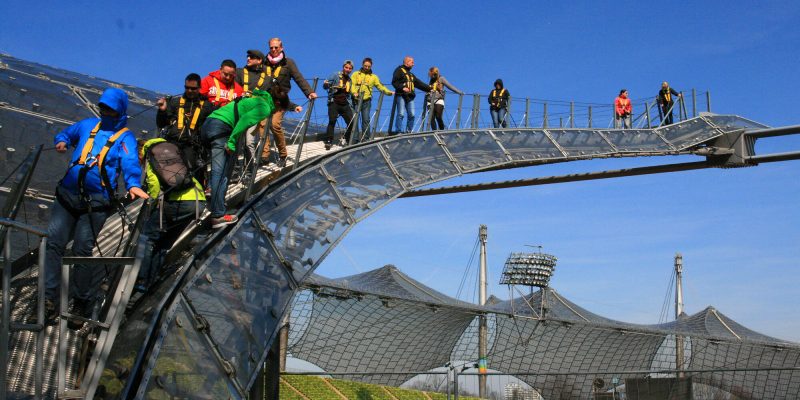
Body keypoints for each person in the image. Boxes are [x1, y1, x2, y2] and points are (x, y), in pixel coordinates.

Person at [44, 88, 148, 326]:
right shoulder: (88, 125)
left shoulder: (125, 137)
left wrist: (133, 184)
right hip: (67, 196)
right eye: (103, 108)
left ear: (120, 110)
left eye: (110, 109)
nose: (106, 113)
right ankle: (49, 301)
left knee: (82, 250)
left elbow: (130, 161)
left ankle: (81, 301)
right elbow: (66, 134)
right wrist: (61, 141)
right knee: (54, 244)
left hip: (96, 203)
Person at [136, 138, 206, 292]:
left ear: (140, 151)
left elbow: (154, 186)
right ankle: (150, 282)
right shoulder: (173, 153)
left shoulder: (152, 155)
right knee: (164, 244)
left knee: (147, 238)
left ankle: (139, 279)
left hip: (178, 203)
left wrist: (152, 207)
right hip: (198, 200)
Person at [200, 89, 275, 228]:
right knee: (221, 173)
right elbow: (245, 120)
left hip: (208, 124)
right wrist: (232, 141)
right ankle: (218, 215)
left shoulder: (250, 98)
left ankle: (212, 192)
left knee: (216, 167)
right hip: (222, 127)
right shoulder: (265, 106)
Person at [262, 38, 317, 166]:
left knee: (275, 125)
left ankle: (283, 155)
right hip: (265, 99)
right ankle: (264, 155)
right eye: (271, 47)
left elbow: (298, 77)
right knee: (262, 125)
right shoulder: (264, 63)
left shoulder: (288, 63)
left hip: (280, 101)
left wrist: (309, 92)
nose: (274, 50)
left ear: (281, 48)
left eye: (276, 47)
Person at [156, 73, 214, 185]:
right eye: (187, 88)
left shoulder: (207, 106)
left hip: (192, 147)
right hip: (172, 143)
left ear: (199, 88)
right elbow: (161, 123)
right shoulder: (175, 102)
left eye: (193, 88)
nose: (190, 91)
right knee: (168, 174)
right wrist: (162, 110)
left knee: (191, 175)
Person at [350, 57, 393, 142]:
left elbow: (380, 86)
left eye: (368, 66)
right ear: (362, 65)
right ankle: (354, 139)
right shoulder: (355, 74)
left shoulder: (374, 77)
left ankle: (365, 139)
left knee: (366, 119)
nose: (366, 68)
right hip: (356, 100)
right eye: (365, 66)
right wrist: (354, 92)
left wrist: (389, 92)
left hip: (366, 101)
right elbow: (352, 85)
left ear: (371, 66)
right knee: (355, 119)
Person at [391, 56, 430, 134]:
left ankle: (409, 131)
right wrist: (402, 88)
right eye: (412, 62)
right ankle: (398, 131)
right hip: (401, 95)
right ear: (407, 62)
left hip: (410, 97)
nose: (413, 64)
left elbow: (419, 84)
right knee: (401, 114)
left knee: (412, 114)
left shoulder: (411, 75)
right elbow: (394, 82)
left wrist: (430, 88)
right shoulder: (399, 70)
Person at [323, 60, 355, 150]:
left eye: (350, 68)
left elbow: (349, 92)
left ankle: (347, 138)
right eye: (346, 67)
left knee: (351, 122)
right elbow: (325, 85)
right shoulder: (335, 75)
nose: (348, 69)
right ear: (343, 67)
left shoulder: (349, 80)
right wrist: (325, 84)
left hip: (345, 103)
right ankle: (329, 140)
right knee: (332, 120)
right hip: (334, 102)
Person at [426, 67, 463, 131]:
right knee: (431, 118)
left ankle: (441, 130)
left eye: (431, 74)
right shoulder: (431, 81)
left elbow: (450, 86)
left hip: (439, 99)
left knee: (438, 116)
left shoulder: (441, 79)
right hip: (430, 100)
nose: (431, 76)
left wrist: (459, 92)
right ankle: (434, 131)